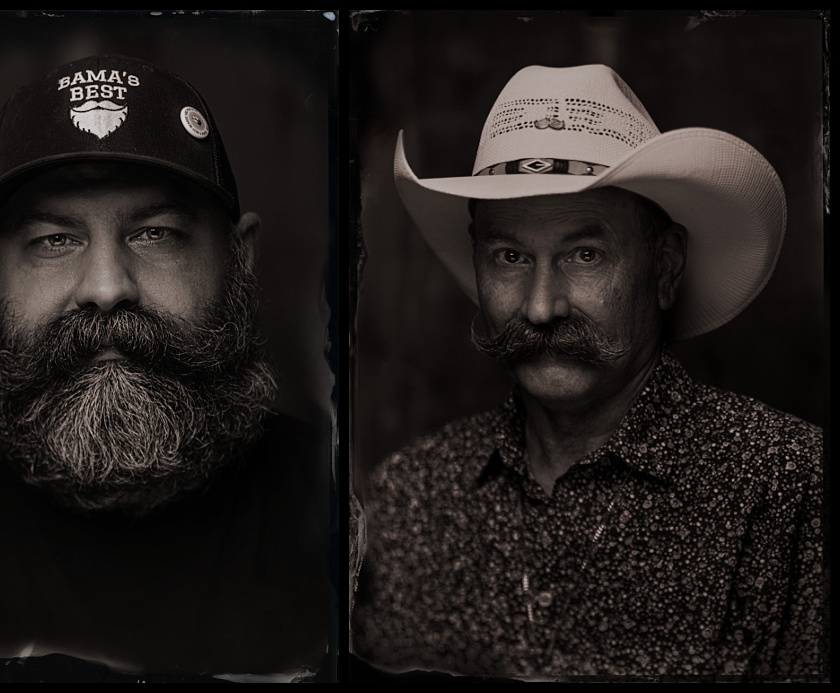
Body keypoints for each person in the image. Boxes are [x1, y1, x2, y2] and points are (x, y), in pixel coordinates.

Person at [350, 64, 825, 679]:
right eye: (511, 256)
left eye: (585, 254)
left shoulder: (789, 492)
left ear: (666, 268)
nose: (542, 306)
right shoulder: (410, 498)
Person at [0, 53, 331, 680]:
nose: (105, 287)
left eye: (156, 233)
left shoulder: (339, 519)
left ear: (241, 258)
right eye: (54, 240)